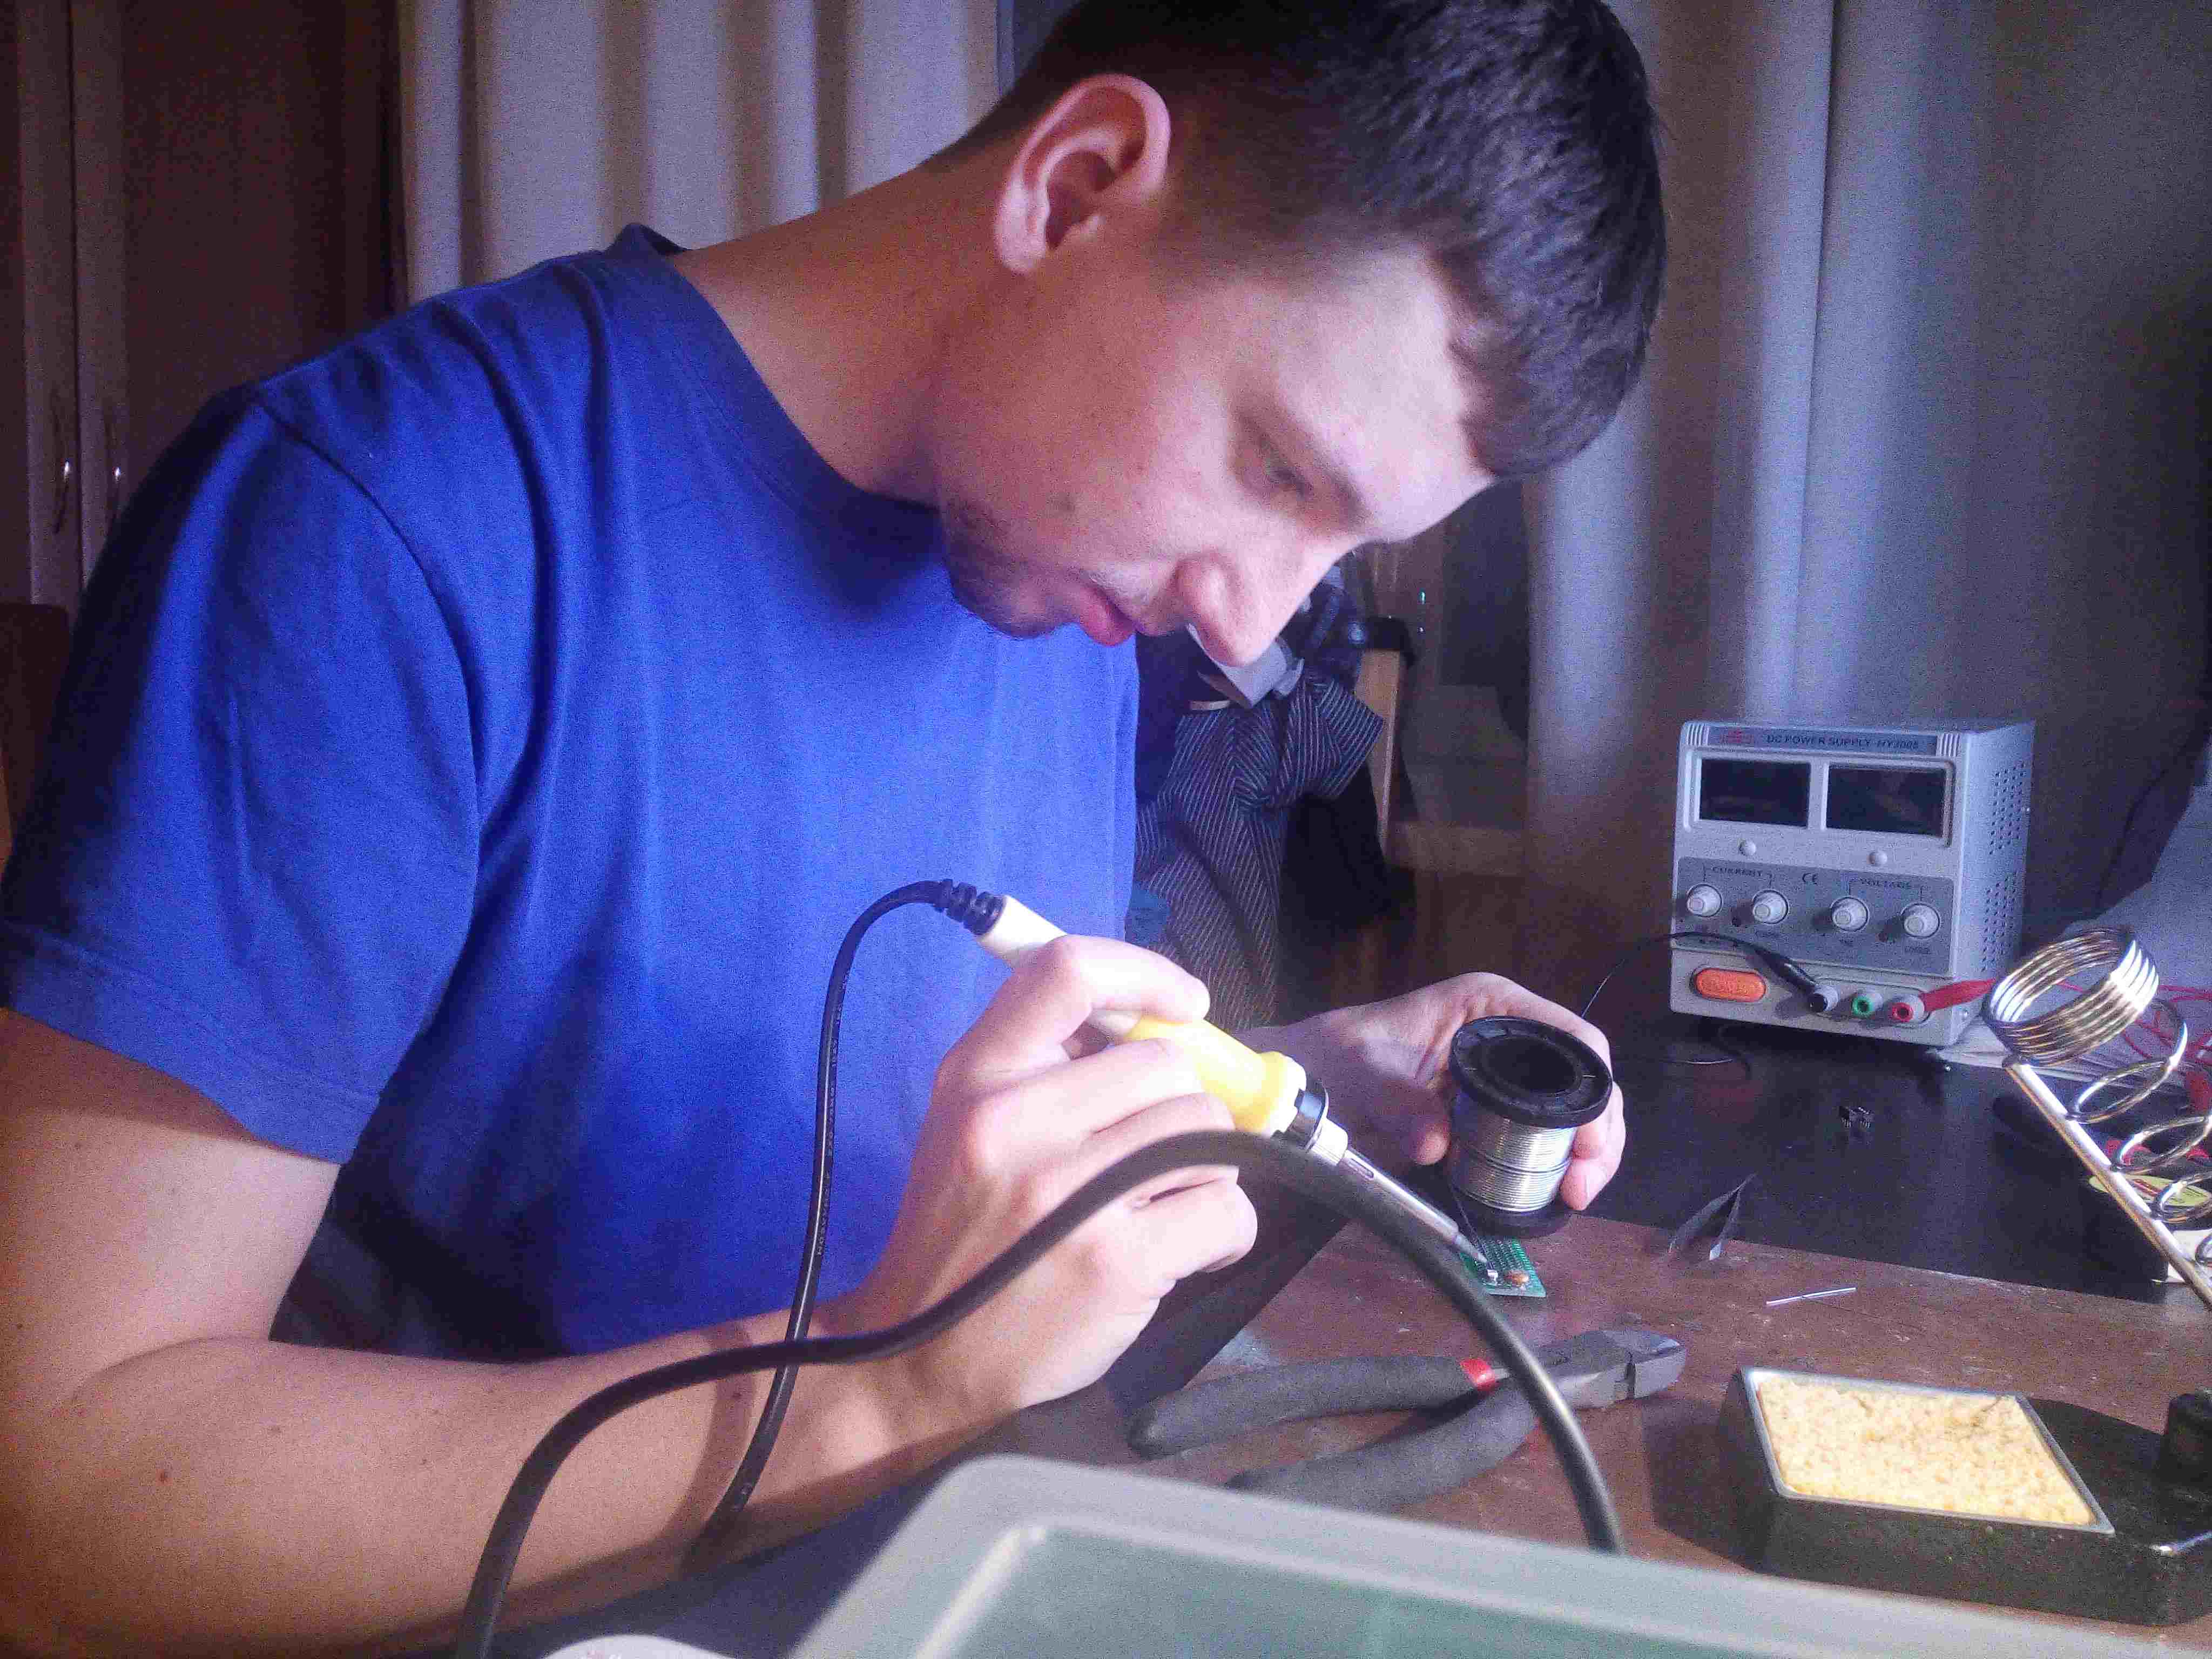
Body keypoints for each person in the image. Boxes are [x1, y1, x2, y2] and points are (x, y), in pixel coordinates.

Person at [0, 0, 1663, 1649]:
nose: (1247, 626)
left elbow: (879, 1148)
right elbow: (66, 1498)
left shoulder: (1054, 569)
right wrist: (882, 1391)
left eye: (1338, 543)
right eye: (1283, 472)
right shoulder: (376, 530)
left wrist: (1302, 1081)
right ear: (1077, 186)